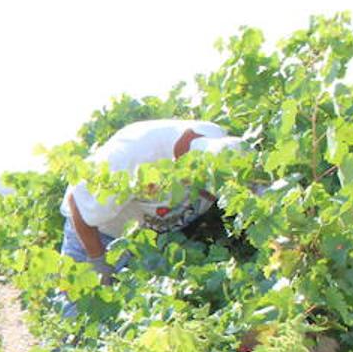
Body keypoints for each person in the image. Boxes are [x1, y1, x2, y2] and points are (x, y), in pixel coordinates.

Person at [60, 119, 243, 286]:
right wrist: (99, 262)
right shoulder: (134, 155)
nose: (211, 196)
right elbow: (77, 201)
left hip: (150, 239)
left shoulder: (226, 150)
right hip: (100, 233)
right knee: (77, 313)